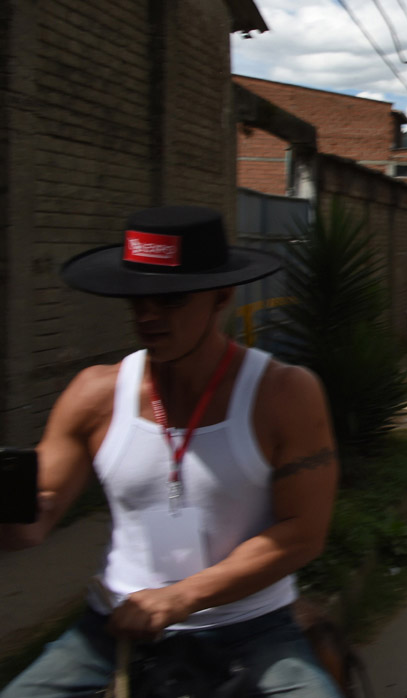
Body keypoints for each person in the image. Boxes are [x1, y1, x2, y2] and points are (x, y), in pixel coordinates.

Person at [0, 206, 340, 698]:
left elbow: (303, 535)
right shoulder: (94, 395)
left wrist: (181, 597)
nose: (147, 315)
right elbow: (36, 515)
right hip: (113, 628)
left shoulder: (284, 394)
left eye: (170, 299)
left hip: (252, 628)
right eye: (135, 298)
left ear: (222, 296)